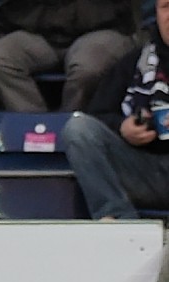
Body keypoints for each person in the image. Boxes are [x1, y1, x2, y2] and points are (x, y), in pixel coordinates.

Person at [61, 0, 169, 220]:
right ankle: (121, 222)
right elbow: (97, 115)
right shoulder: (134, 62)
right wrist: (123, 127)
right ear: (156, 13)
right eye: (166, 7)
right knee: (78, 128)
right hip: (144, 169)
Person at [0, 0, 137, 112]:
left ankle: (70, 132)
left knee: (86, 68)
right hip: (40, 28)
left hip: (102, 28)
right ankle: (37, 131)